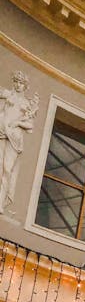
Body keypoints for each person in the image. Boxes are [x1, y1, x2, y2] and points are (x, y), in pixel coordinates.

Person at [0, 71, 39, 216]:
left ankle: (1, 202)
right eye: (16, 81)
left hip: (14, 138)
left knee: (7, 169)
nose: (18, 85)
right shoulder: (7, 94)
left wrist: (17, 122)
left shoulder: (26, 104)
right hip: (1, 133)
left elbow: (30, 126)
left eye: (21, 83)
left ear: (26, 86)